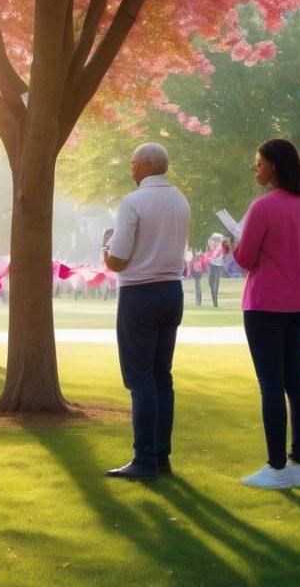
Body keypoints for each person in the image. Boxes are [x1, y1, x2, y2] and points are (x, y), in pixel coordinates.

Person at [232, 138, 300, 490]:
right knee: (295, 381)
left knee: (270, 383)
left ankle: (276, 466)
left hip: (266, 303)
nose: (256, 168)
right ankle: (298, 464)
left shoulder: (263, 207)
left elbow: (244, 260)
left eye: (259, 163)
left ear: (274, 167)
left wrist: (234, 244)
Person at [102, 142, 190, 480]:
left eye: (133, 164)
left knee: (140, 378)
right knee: (161, 376)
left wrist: (107, 253)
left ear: (143, 166)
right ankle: (161, 455)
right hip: (172, 289)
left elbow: (120, 256)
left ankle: (144, 458)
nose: (131, 169)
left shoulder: (133, 201)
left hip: (139, 291)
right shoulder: (180, 199)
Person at [206, 233, 225, 307]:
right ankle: (214, 301)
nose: (214, 241)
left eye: (215, 240)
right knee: (211, 284)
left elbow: (216, 254)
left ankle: (215, 302)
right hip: (211, 265)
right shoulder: (212, 246)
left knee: (216, 284)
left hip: (217, 266)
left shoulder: (220, 246)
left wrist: (211, 257)